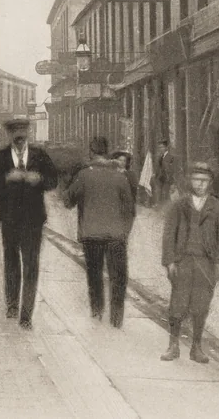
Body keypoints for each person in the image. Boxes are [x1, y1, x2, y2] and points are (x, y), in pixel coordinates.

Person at [0, 117, 58, 329]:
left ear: (27, 134)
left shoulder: (40, 155)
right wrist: (5, 179)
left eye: (22, 133)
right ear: (10, 136)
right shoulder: (1, 157)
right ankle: (11, 304)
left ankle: (26, 314)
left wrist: (40, 179)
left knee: (31, 265)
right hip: (9, 219)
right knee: (11, 263)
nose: (19, 138)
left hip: (33, 219)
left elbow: (53, 180)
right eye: (15, 134)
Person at [160, 161, 219, 364]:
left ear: (210, 183)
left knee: (201, 306)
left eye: (204, 181)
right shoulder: (179, 205)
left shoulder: (216, 208)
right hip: (182, 262)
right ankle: (173, 345)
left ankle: (196, 347)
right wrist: (170, 261)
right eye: (196, 180)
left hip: (205, 264)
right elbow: (168, 234)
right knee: (178, 304)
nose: (200, 184)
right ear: (190, 181)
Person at [67, 138, 136, 327]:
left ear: (91, 152)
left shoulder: (84, 175)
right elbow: (130, 209)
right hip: (116, 235)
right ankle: (116, 317)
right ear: (107, 153)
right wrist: (125, 232)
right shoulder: (120, 177)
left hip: (91, 234)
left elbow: (68, 201)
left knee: (94, 274)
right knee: (118, 277)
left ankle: (97, 310)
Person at [153, 140, 180, 206]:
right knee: (160, 197)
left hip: (168, 181)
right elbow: (158, 169)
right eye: (159, 147)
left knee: (167, 197)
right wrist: (155, 175)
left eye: (162, 147)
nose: (160, 149)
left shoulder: (171, 157)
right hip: (160, 180)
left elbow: (173, 170)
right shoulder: (159, 157)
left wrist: (173, 183)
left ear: (166, 148)